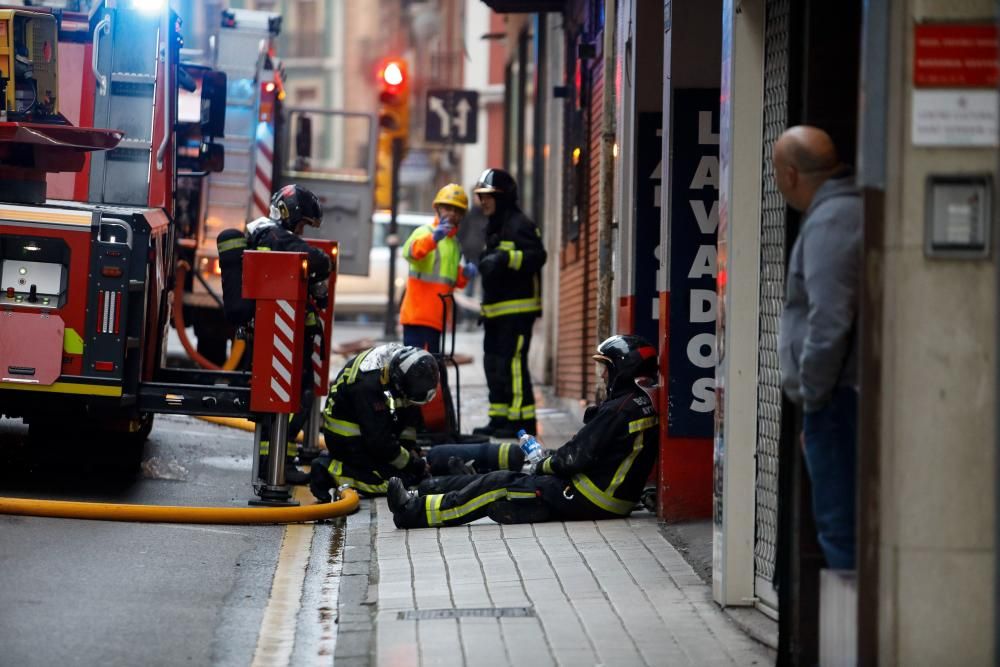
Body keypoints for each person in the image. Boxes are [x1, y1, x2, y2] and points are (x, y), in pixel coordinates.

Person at [385, 335, 659, 529]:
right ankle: (427, 492)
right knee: (509, 479)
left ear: (622, 369)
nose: (602, 376)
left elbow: (574, 458)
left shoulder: (619, 409)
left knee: (498, 485)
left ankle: (412, 514)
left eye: (606, 369)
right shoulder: (635, 404)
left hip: (591, 497)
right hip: (604, 494)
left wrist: (544, 464)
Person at [774, 125, 861, 570]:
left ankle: (850, 637)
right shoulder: (839, 213)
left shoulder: (832, 221)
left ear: (790, 174)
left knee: (838, 525)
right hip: (836, 398)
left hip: (836, 401)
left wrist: (812, 394)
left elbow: (829, 320)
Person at [218, 184, 331, 485]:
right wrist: (323, 266)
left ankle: (279, 459)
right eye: (303, 224)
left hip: (279, 335)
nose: (303, 231)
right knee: (291, 397)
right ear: (289, 215)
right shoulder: (270, 234)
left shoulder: (267, 233)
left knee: (290, 397)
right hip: (277, 336)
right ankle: (275, 461)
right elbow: (314, 259)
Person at [470, 168, 547, 438]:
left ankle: (521, 424)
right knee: (494, 365)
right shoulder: (495, 226)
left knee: (512, 366)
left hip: (517, 312)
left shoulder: (519, 224)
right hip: (495, 313)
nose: (483, 201)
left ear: (503, 197)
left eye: (489, 196)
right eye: (481, 196)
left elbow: (538, 255)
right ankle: (499, 418)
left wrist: (505, 259)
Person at [308, 344, 439, 502]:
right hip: (347, 440)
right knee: (394, 483)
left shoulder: (400, 364)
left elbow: (408, 411)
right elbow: (380, 442)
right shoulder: (367, 385)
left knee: (405, 473)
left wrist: (410, 450)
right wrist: (413, 465)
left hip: (367, 428)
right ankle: (326, 470)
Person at [399, 184, 477, 354]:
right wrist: (433, 239)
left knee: (430, 370)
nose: (452, 213)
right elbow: (410, 253)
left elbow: (452, 280)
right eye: (448, 208)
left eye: (457, 210)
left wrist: (465, 275)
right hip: (417, 317)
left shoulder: (454, 244)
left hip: (437, 319)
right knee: (417, 370)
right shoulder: (424, 232)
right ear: (438, 208)